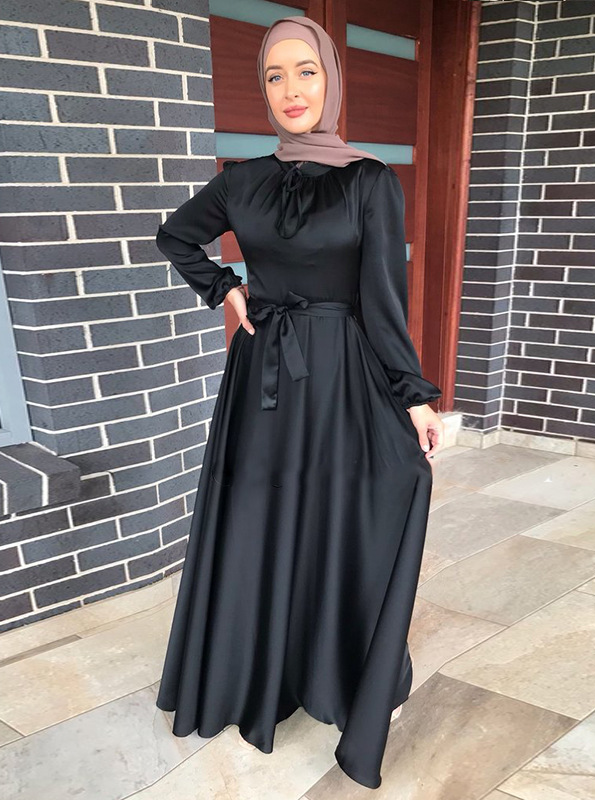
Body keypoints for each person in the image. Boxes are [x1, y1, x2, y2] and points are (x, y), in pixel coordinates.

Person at [154, 16, 444, 790]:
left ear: (331, 80)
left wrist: (414, 396)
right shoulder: (240, 180)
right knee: (260, 517)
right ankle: (257, 675)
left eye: (306, 71)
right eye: (275, 75)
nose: (290, 89)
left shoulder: (369, 180)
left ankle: (338, 672)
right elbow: (176, 236)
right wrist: (224, 288)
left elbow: (383, 302)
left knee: (353, 510)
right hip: (264, 381)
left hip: (343, 373)